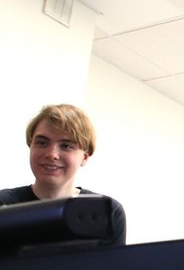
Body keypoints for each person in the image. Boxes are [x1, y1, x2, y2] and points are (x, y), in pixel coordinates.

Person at [0, 103, 126, 246]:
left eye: (66, 146)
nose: (52, 154)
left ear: (84, 157)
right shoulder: (2, 203)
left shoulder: (108, 213)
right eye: (42, 143)